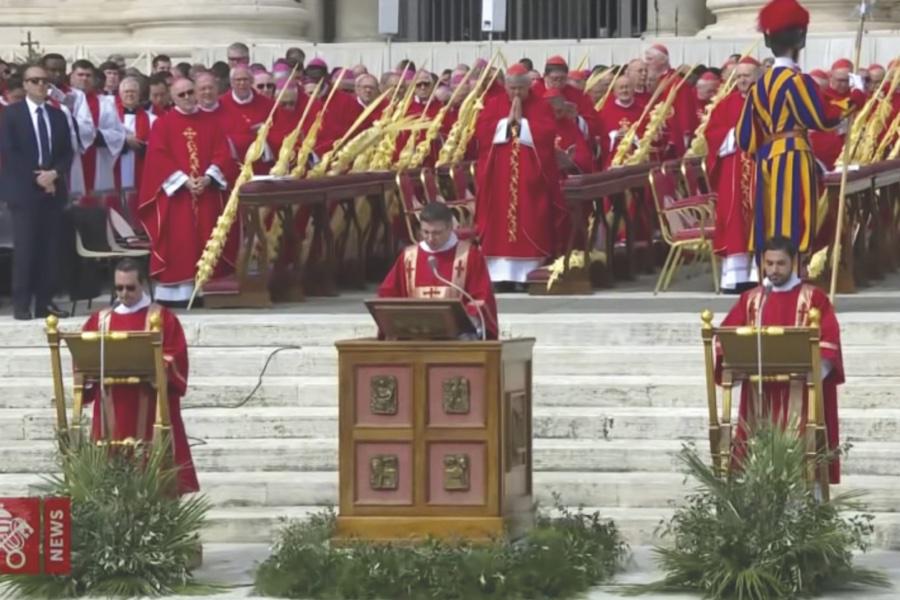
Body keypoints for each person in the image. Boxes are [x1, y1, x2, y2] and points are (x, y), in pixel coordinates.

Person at [738, 0, 862, 258]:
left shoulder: (758, 87)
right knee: (795, 223)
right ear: (800, 38)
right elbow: (823, 118)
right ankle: (792, 286)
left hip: (765, 159)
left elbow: (746, 138)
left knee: (769, 225)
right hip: (793, 156)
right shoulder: (796, 81)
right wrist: (856, 95)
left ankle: (769, 283)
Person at [717, 236, 844, 484]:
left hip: (801, 395)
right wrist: (735, 366)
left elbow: (829, 344)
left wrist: (813, 374)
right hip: (759, 395)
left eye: (781, 264)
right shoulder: (753, 299)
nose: (774, 270)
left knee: (801, 466)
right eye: (769, 263)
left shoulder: (814, 299)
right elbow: (726, 338)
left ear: (795, 262)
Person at [82, 258, 199, 495]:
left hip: (150, 405)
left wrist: (159, 367)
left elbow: (175, 357)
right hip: (112, 406)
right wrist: (88, 373)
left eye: (130, 287)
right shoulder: (100, 321)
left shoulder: (163, 318)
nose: (124, 294)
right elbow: (84, 360)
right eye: (119, 288)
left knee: (154, 471)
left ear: (143, 284)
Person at [138, 76, 236, 305]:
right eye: (181, 95)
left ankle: (206, 289)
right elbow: (158, 158)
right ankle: (179, 293)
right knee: (180, 241)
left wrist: (209, 177)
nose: (188, 98)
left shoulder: (212, 122)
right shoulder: (163, 124)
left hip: (207, 193)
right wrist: (184, 181)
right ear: (173, 99)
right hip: (178, 196)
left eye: (190, 92)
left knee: (207, 237)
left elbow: (223, 153)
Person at [474, 63, 560, 287]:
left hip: (529, 177)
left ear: (529, 86)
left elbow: (548, 134)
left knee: (530, 216)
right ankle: (498, 275)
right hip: (498, 177)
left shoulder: (540, 105)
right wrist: (505, 123)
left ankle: (525, 275)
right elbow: (481, 132)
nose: (516, 94)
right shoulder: (493, 104)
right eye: (512, 89)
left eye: (521, 89)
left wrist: (523, 124)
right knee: (498, 221)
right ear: (505, 87)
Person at [0, 64, 74, 320]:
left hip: (53, 190)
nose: (41, 85)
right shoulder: (12, 114)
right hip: (24, 191)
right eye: (34, 81)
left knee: (49, 249)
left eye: (44, 81)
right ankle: (21, 304)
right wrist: (39, 178)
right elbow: (11, 152)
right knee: (26, 249)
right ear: (25, 85)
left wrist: (54, 174)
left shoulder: (58, 115)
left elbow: (67, 152)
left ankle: (44, 302)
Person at [378, 202, 498, 339]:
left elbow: (482, 297)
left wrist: (465, 317)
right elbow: (387, 294)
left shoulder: (470, 256)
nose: (430, 238)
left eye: (437, 233)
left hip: (457, 337)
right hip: (415, 336)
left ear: (450, 228)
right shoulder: (409, 256)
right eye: (425, 232)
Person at [704, 57, 761, 293]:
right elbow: (712, 133)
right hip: (734, 170)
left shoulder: (768, 103)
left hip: (761, 169)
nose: (742, 80)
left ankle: (761, 274)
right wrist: (736, 135)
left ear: (758, 76)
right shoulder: (726, 105)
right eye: (738, 76)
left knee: (761, 218)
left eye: (747, 75)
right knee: (735, 219)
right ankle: (736, 278)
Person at [70, 59, 126, 195]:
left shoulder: (105, 103)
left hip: (97, 159)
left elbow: (118, 134)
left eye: (88, 76)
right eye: (80, 75)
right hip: (70, 160)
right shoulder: (63, 100)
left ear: (94, 79)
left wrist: (96, 135)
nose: (84, 79)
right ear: (71, 76)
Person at [114, 76, 156, 209]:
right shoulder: (110, 115)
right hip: (115, 168)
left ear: (139, 94)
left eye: (133, 91)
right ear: (120, 94)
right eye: (126, 92)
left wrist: (139, 145)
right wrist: (125, 142)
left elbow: (156, 147)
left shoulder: (152, 119)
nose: (130, 94)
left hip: (141, 168)